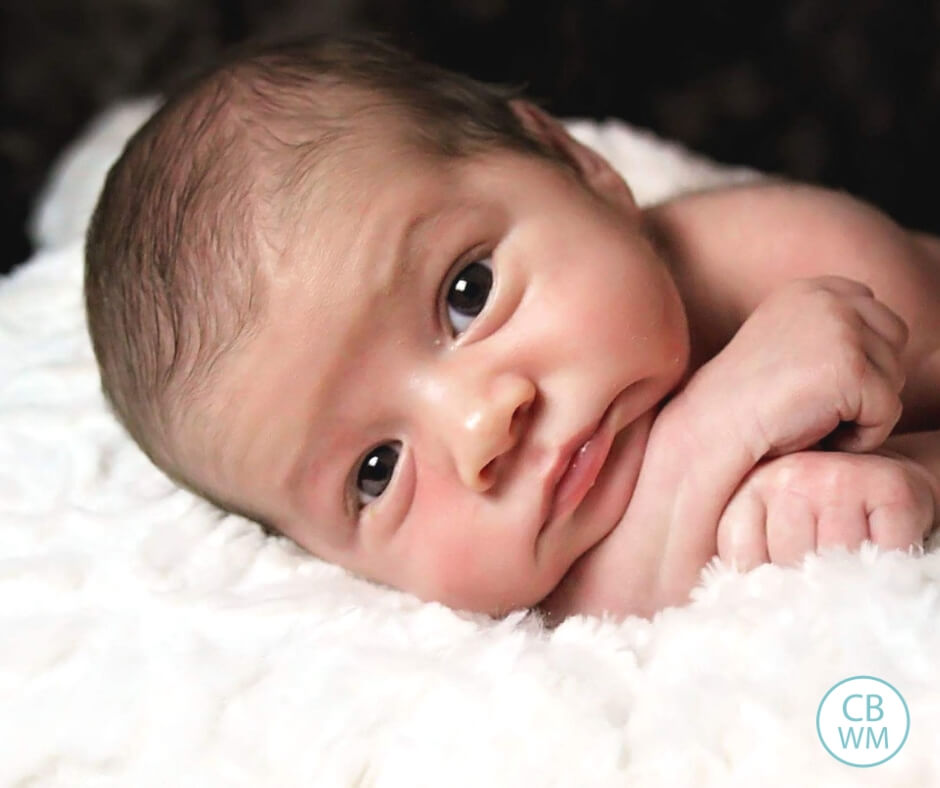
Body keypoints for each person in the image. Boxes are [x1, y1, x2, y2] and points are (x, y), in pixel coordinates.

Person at [84, 35, 940, 623]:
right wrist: (708, 449)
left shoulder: (803, 262)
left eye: (468, 291)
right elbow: (558, 616)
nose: (480, 426)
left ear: (576, 165)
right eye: (376, 472)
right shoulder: (483, 598)